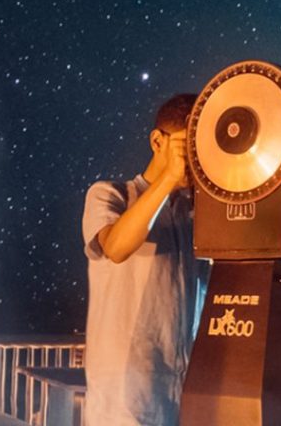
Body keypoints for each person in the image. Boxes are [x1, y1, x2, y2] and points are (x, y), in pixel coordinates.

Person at [82, 93, 200, 426]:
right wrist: (167, 180)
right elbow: (116, 247)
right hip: (123, 401)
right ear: (157, 141)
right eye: (185, 148)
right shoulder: (109, 194)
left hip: (182, 396)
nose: (192, 160)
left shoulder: (197, 214)